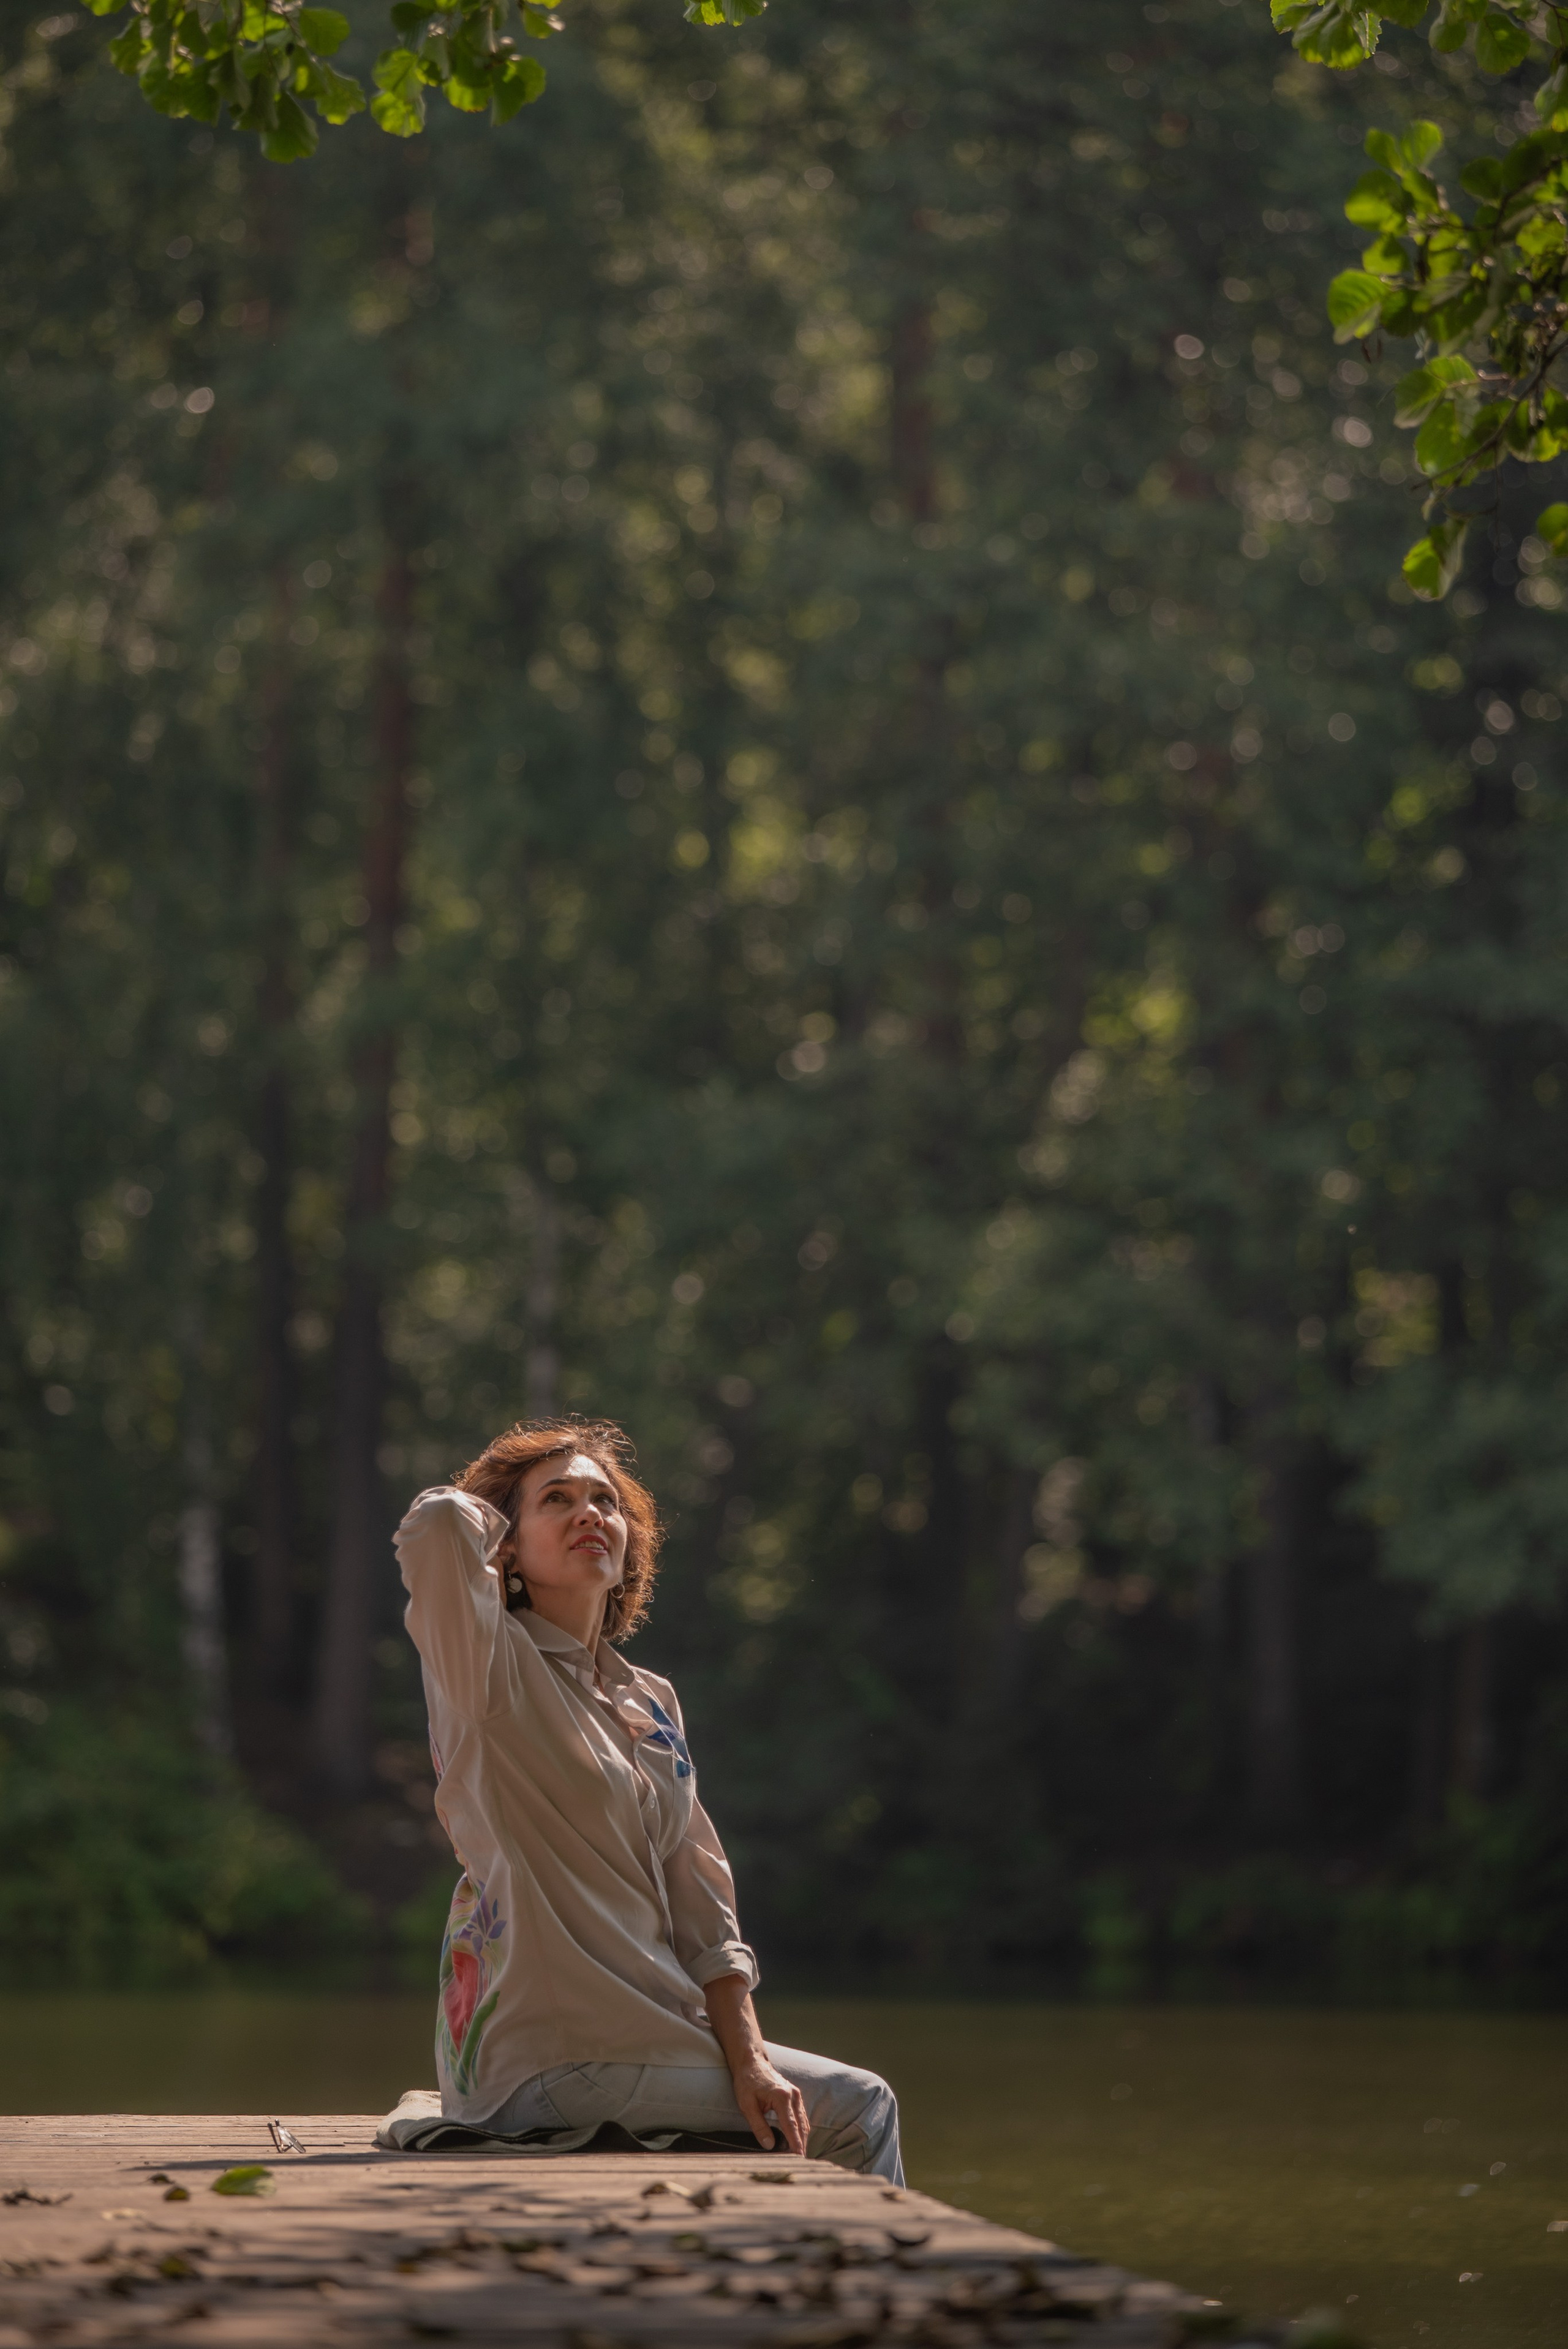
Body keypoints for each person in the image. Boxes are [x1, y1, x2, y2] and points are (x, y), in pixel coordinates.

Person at [394, 1415, 903, 2182]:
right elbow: (437, 1523)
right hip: (549, 2051)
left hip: (656, 2036)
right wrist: (494, 1522)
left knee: (806, 2106)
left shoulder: (649, 1698)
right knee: (863, 2107)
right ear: (506, 1547)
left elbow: (702, 1900)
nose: (589, 1513)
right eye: (557, 1500)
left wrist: (750, 2059)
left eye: (605, 1501)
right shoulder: (486, 1667)